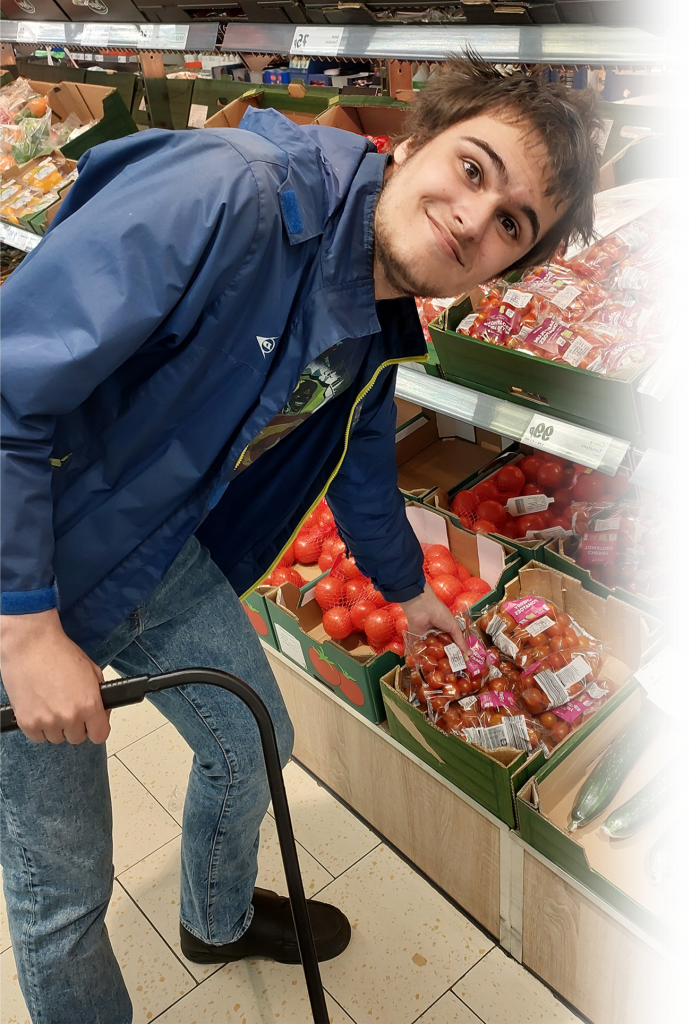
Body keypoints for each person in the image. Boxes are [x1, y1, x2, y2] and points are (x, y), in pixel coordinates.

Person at [0, 57, 601, 1023]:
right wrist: (25, 627)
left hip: (150, 546)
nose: (472, 220)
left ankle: (217, 916)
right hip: (21, 557)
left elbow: (359, 451)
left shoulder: (375, 306)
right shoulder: (226, 195)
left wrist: (408, 595)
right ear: (410, 142)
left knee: (256, 738)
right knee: (63, 893)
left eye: (511, 227)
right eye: (476, 170)